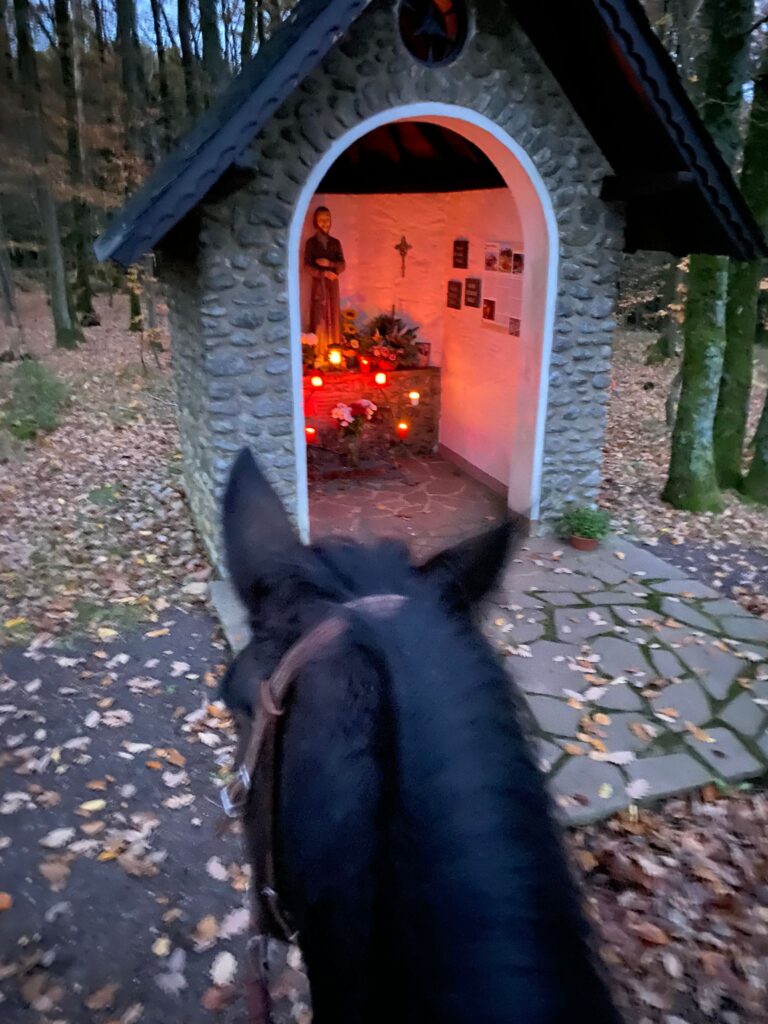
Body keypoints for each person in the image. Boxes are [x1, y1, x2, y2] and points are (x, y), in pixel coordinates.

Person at [304, 206, 345, 364]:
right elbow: (307, 266)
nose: (325, 223)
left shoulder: (335, 243)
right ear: (315, 221)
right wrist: (322, 273)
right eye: (321, 219)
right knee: (320, 316)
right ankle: (319, 353)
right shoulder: (311, 243)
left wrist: (330, 264)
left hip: (333, 284)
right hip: (319, 284)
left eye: (327, 219)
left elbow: (342, 264)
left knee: (333, 315)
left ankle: (335, 353)